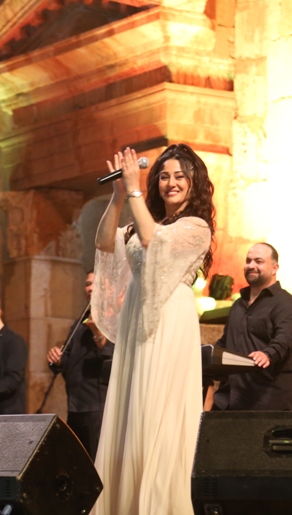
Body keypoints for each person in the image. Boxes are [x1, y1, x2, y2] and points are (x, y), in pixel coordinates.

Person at [91, 144, 214, 515]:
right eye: (163, 176)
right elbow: (103, 242)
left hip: (169, 319)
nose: (170, 183)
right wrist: (118, 195)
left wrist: (134, 189)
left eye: (179, 177)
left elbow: (152, 241)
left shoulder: (196, 227)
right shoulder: (147, 219)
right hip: (138, 317)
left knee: (159, 405)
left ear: (194, 183)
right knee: (131, 407)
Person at [209, 243, 292, 411]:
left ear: (275, 268)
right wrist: (208, 359)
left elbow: (286, 338)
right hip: (231, 402)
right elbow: (226, 342)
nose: (251, 265)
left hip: (268, 403)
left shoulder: (286, 303)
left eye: (259, 261)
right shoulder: (238, 305)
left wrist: (267, 354)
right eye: (248, 261)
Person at [46, 270, 114, 460]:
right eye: (87, 284)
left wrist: (98, 334)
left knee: (96, 463)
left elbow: (112, 360)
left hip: (98, 408)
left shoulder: (113, 321)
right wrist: (58, 359)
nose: (90, 288)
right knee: (76, 462)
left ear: (109, 288)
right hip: (75, 407)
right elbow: (68, 361)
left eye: (95, 283)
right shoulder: (79, 323)